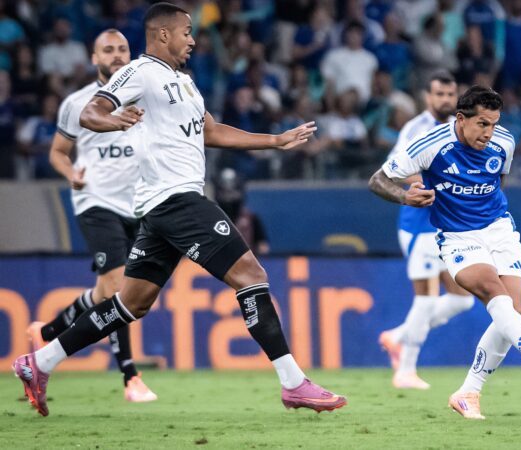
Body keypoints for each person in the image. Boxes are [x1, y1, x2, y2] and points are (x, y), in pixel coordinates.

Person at [12, 2, 346, 417]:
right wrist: (113, 121)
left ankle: (39, 362)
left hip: (161, 207)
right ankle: (294, 383)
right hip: (177, 199)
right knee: (251, 276)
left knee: (130, 303)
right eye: (187, 32)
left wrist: (275, 141)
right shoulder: (140, 71)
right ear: (163, 34)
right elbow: (91, 111)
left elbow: (213, 131)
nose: (193, 39)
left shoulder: (184, 81)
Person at [368, 86, 521, 420]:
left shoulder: (504, 142)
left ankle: (468, 393)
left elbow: (497, 182)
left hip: (500, 228)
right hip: (457, 237)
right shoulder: (430, 145)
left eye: (493, 124)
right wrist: (405, 197)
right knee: (493, 291)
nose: (489, 133)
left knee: (513, 311)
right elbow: (378, 180)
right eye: (482, 124)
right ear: (461, 119)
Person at [25, 29, 157, 403]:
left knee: (106, 293)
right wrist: (72, 175)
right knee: (120, 290)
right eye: (108, 50)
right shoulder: (78, 104)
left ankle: (47, 333)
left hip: (140, 206)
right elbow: (58, 152)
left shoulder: (147, 98)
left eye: (122, 50)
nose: (116, 55)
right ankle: (131, 378)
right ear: (94, 58)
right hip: (96, 202)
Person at [377, 70, 475, 390]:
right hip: (420, 223)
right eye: (439, 94)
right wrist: (425, 183)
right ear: (427, 97)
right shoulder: (417, 129)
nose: (445, 100)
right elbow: (393, 171)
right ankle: (405, 370)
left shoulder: (456, 127)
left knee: (462, 299)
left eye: (450, 94)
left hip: (445, 223)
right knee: (426, 296)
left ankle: (398, 336)